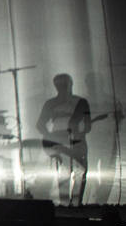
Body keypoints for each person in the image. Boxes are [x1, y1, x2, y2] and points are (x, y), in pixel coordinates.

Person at [36, 73, 92, 206]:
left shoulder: (80, 102)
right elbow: (40, 124)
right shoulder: (52, 103)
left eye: (64, 84)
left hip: (75, 141)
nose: (62, 87)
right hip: (65, 141)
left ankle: (71, 204)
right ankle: (69, 205)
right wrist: (51, 138)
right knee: (68, 172)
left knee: (77, 172)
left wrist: (78, 132)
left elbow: (88, 125)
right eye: (60, 85)